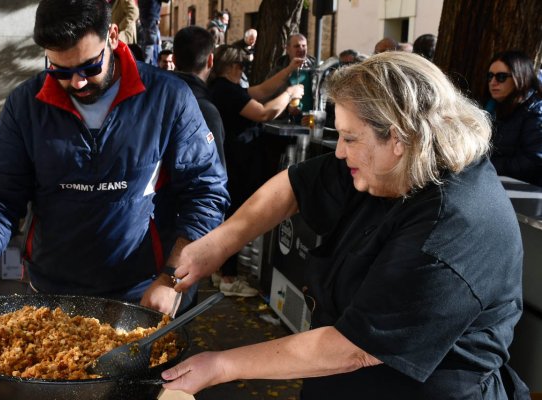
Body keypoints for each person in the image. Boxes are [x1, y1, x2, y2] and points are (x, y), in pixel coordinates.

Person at [162, 52, 529, 398]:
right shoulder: (394, 158)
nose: (339, 151)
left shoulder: (452, 227)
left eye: (350, 138)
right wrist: (218, 245)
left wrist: (222, 364)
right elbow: (295, 186)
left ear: (399, 138)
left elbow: (355, 349)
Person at [0, 0, 230, 316]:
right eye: (60, 70)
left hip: (141, 294)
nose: (77, 82)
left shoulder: (167, 98)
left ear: (113, 36)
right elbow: (0, 200)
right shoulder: (25, 106)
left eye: (89, 66)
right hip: (50, 294)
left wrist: (172, 279)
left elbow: (206, 194)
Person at [207, 45, 303, 297]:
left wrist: (289, 70)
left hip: (232, 162)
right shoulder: (226, 91)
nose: (244, 72)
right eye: (243, 67)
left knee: (230, 216)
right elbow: (265, 112)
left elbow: (261, 91)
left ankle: (220, 271)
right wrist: (291, 92)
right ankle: (228, 277)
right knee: (236, 217)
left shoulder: (222, 89)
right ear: (235, 67)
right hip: (238, 164)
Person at [485, 50, 542, 186]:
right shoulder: (491, 108)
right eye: (490, 76)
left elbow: (534, 159)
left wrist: (488, 166)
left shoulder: (535, 111)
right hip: (498, 184)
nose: (493, 82)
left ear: (519, 77)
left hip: (526, 192)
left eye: (501, 77)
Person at [172, 26, 225, 167]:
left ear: (173, 60)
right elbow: (216, 170)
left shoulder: (155, 98)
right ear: (210, 61)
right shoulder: (206, 111)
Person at [138, 0, 163, 65]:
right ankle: (149, 67)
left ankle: (145, 66)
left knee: (147, 45)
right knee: (151, 45)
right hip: (151, 19)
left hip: (145, 17)